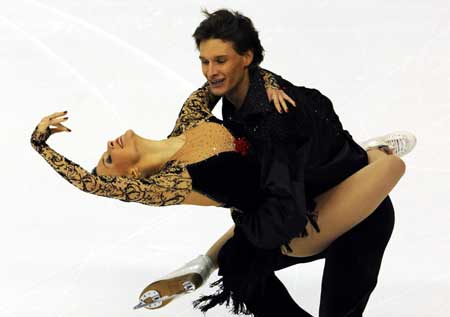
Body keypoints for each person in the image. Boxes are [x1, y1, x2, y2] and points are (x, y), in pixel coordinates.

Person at [135, 9, 417, 317]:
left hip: (360, 216)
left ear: (246, 57)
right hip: (306, 198)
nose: (210, 71)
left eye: (220, 60)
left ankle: (375, 152)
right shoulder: (233, 98)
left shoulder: (276, 120)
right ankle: (371, 153)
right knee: (237, 262)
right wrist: (208, 261)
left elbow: (274, 207)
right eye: (204, 61)